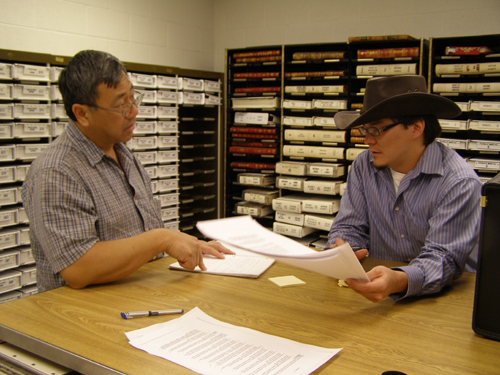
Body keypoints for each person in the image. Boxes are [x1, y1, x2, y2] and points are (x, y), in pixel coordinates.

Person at [21, 50, 232, 293]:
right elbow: (78, 269)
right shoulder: (56, 172)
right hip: (83, 318)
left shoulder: (123, 154)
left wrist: (188, 244)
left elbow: (138, 242)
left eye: (133, 99)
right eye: (121, 105)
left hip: (137, 299)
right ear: (82, 113)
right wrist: (163, 239)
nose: (134, 112)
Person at [327, 75, 481, 303]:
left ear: (416, 128)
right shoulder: (363, 166)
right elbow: (349, 226)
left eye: (377, 130)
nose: (367, 140)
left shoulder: (458, 182)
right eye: (364, 130)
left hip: (444, 302)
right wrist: (345, 247)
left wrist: (399, 280)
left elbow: (443, 258)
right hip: (375, 295)